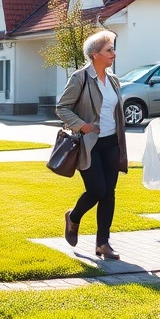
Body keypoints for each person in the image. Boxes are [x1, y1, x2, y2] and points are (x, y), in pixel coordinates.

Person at [56, 29, 128, 260]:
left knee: (109, 193)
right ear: (95, 54)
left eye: (113, 49)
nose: (113, 53)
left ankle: (103, 243)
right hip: (89, 145)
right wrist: (82, 126)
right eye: (109, 50)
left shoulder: (114, 80)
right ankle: (74, 217)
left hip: (111, 143)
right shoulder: (80, 78)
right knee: (97, 190)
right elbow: (62, 107)